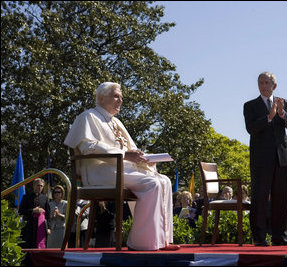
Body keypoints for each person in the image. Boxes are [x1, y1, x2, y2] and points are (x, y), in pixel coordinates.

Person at [64, 82, 178, 251]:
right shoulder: (88, 117)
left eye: (121, 97)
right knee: (151, 183)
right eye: (116, 96)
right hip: (100, 171)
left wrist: (144, 158)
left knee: (165, 181)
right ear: (101, 98)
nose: (120, 100)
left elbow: (131, 150)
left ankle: (161, 241)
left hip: (120, 168)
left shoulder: (116, 122)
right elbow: (89, 146)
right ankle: (141, 243)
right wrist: (125, 155)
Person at [243, 71, 287, 246]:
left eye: (266, 82)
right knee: (260, 197)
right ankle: (259, 237)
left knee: (281, 197)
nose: (263, 85)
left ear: (274, 86)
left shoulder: (283, 103)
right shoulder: (250, 105)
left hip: (281, 157)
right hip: (261, 158)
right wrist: (269, 117)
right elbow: (251, 128)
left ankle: (280, 236)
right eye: (260, 82)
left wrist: (281, 114)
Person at [19, 178, 51, 248]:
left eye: (41, 186)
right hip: (29, 227)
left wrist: (48, 228)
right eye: (38, 185)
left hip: (41, 227)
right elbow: (21, 211)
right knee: (27, 247)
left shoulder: (45, 198)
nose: (40, 187)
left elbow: (48, 214)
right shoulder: (26, 197)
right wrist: (33, 210)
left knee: (39, 247)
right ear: (33, 186)